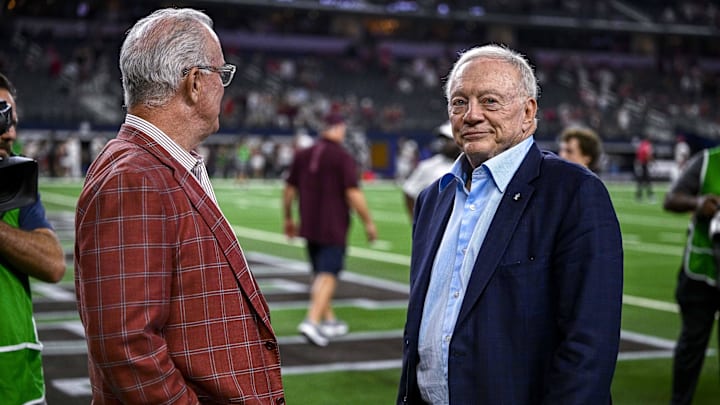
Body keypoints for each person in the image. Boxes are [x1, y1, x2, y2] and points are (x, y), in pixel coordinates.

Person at [74, 8, 284, 403]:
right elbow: (126, 345)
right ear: (193, 83)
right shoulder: (135, 177)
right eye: (221, 75)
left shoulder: (153, 164)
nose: (225, 88)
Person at [397, 44, 623, 404]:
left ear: (528, 112)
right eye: (459, 102)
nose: (471, 115)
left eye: (489, 101)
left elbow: (589, 345)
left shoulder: (573, 192)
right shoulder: (433, 198)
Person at [283, 113, 377, 347]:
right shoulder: (342, 157)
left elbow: (289, 190)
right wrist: (368, 221)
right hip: (332, 224)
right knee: (328, 275)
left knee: (319, 272)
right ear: (338, 128)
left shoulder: (303, 154)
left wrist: (288, 218)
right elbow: (353, 193)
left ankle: (329, 320)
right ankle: (312, 321)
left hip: (309, 223)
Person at [0, 72, 66, 404]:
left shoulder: (15, 185)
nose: (9, 130)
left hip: (20, 379)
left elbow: (53, 264)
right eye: (0, 114)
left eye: (12, 118)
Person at [663, 146, 720, 405]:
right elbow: (671, 199)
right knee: (691, 345)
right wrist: (697, 203)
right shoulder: (708, 160)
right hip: (701, 269)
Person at [401, 121, 461, 217]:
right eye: (442, 140)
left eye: (448, 140)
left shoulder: (473, 165)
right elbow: (409, 192)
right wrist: (416, 223)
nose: (443, 143)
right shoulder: (429, 166)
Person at [635, 135, 654, 202]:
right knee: (647, 180)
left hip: (640, 163)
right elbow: (648, 155)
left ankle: (639, 195)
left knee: (641, 181)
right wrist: (651, 162)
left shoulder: (642, 144)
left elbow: (638, 154)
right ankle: (650, 195)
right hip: (644, 164)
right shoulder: (648, 145)